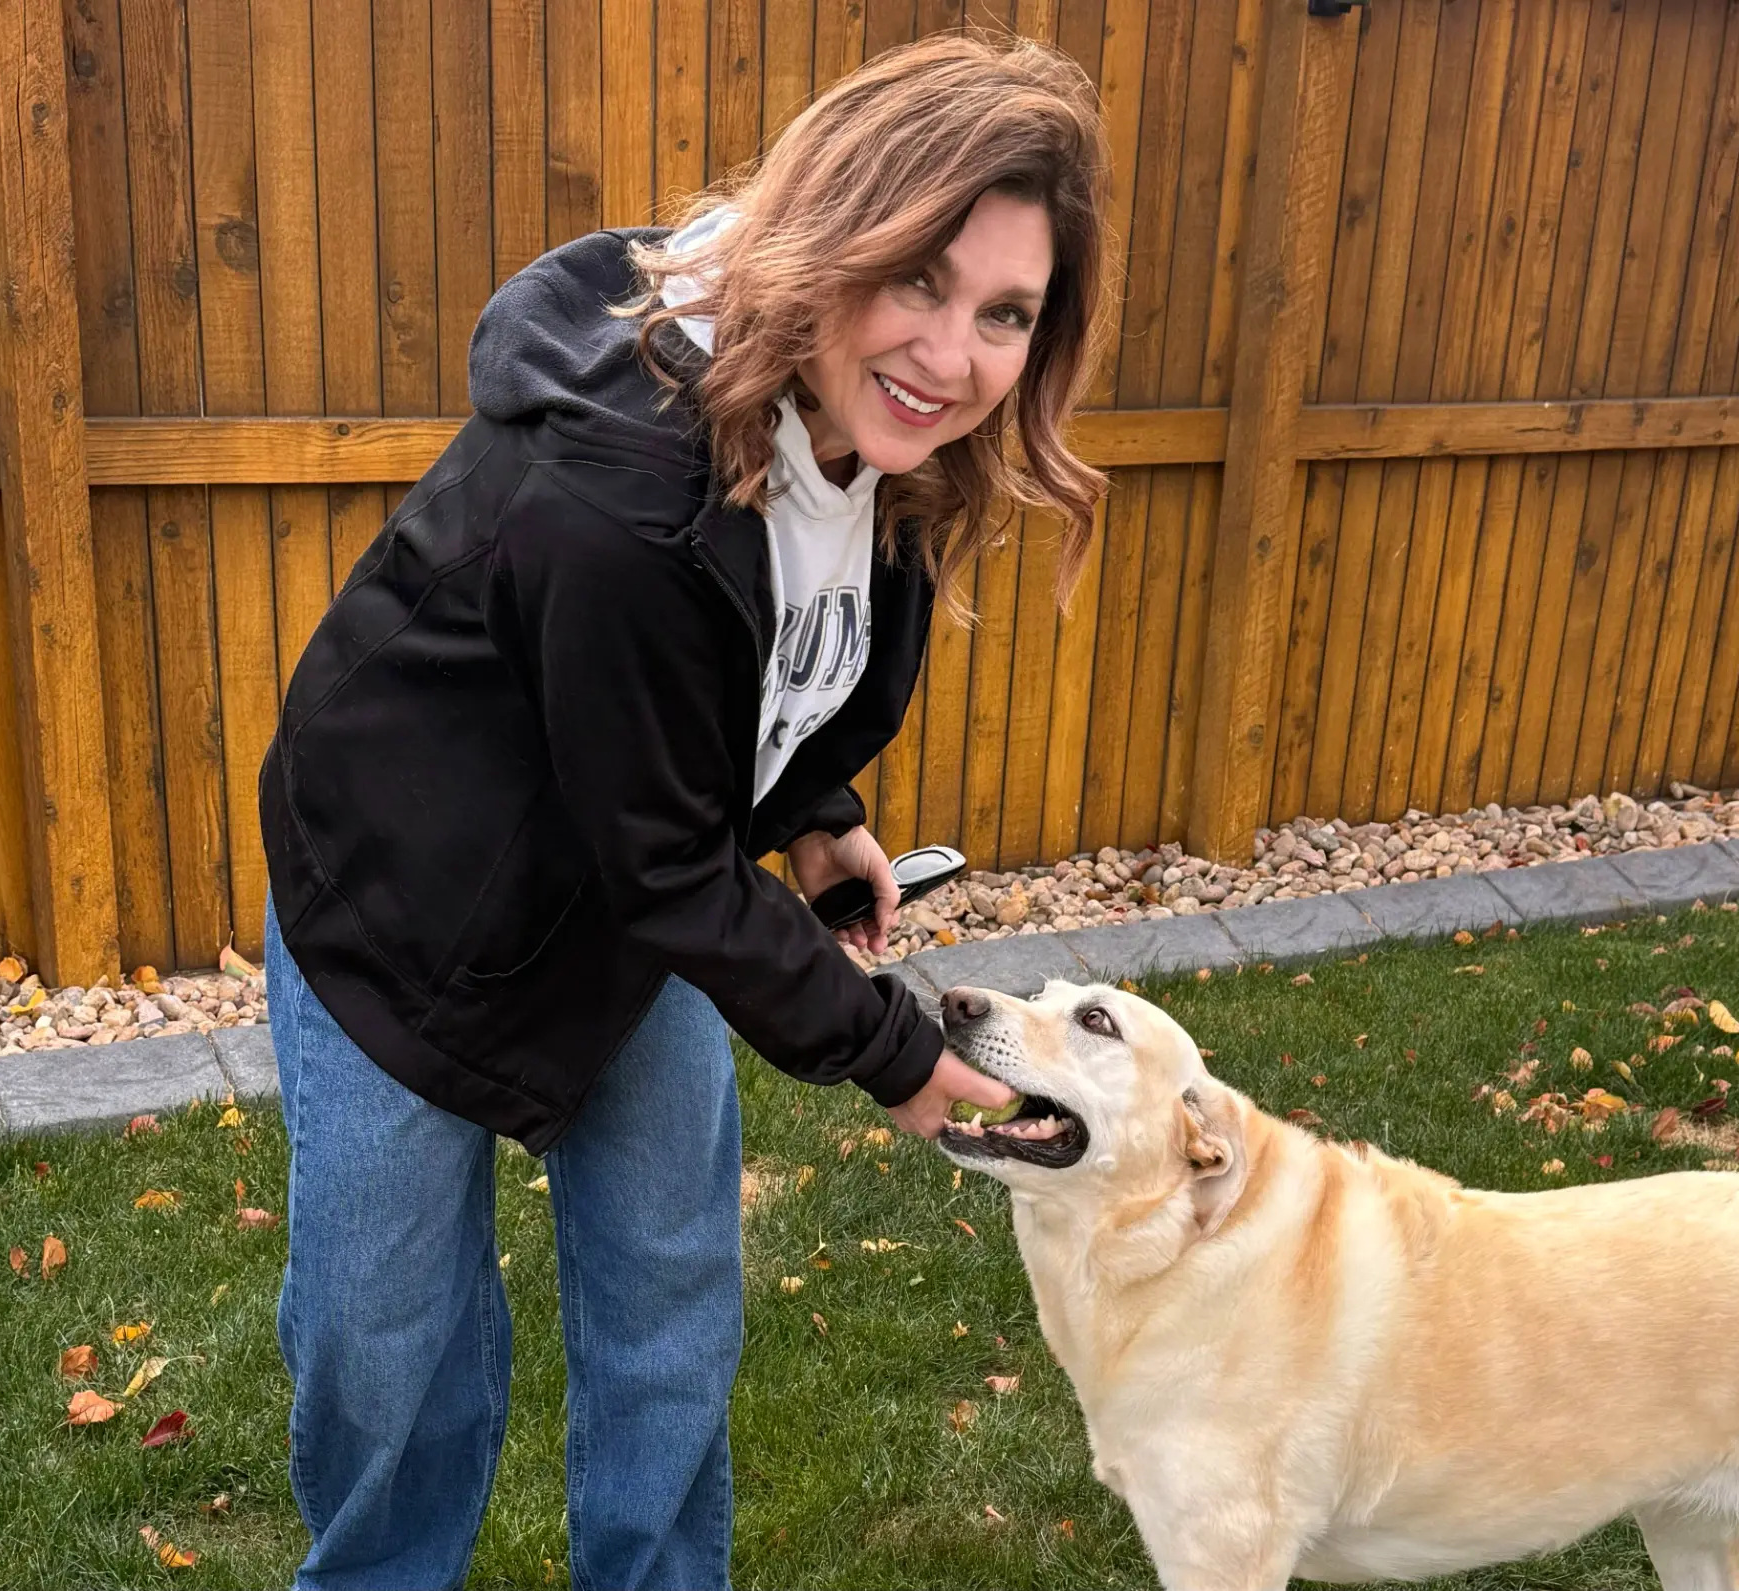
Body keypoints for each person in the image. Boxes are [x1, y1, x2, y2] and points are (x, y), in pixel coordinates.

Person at [258, 32, 1111, 1591]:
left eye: (1006, 313)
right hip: (406, 914)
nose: (955, 355)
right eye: (919, 280)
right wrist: (896, 1054)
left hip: (633, 905)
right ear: (833, 241)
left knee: (667, 1308)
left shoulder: (877, 436)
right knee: (390, 1359)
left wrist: (816, 810)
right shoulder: (618, 490)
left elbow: (750, 666)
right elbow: (664, 856)